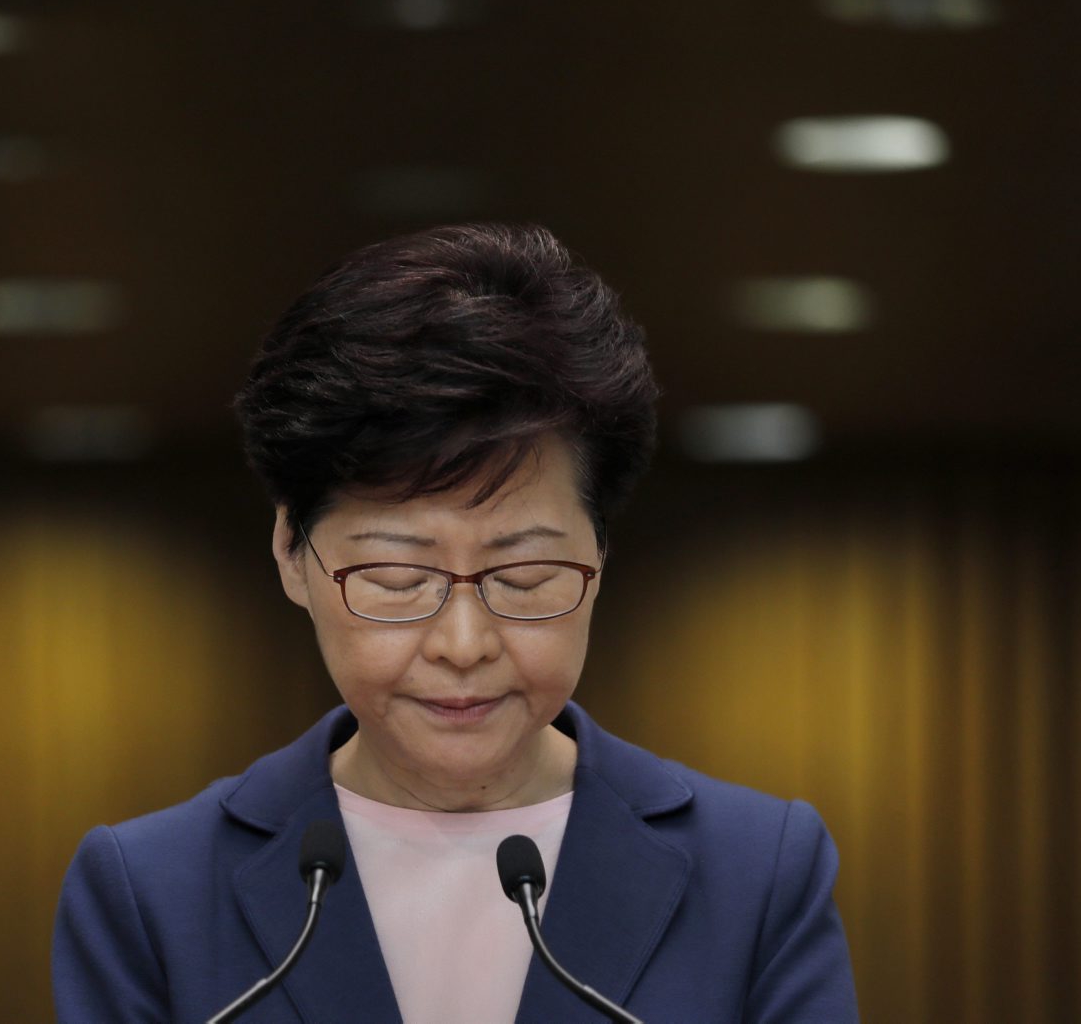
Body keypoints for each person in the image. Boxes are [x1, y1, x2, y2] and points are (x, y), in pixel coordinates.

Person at [52, 223, 859, 1023]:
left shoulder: (756, 872)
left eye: (524, 576)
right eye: (398, 578)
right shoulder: (149, 890)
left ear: (599, 552)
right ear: (292, 554)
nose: (463, 646)